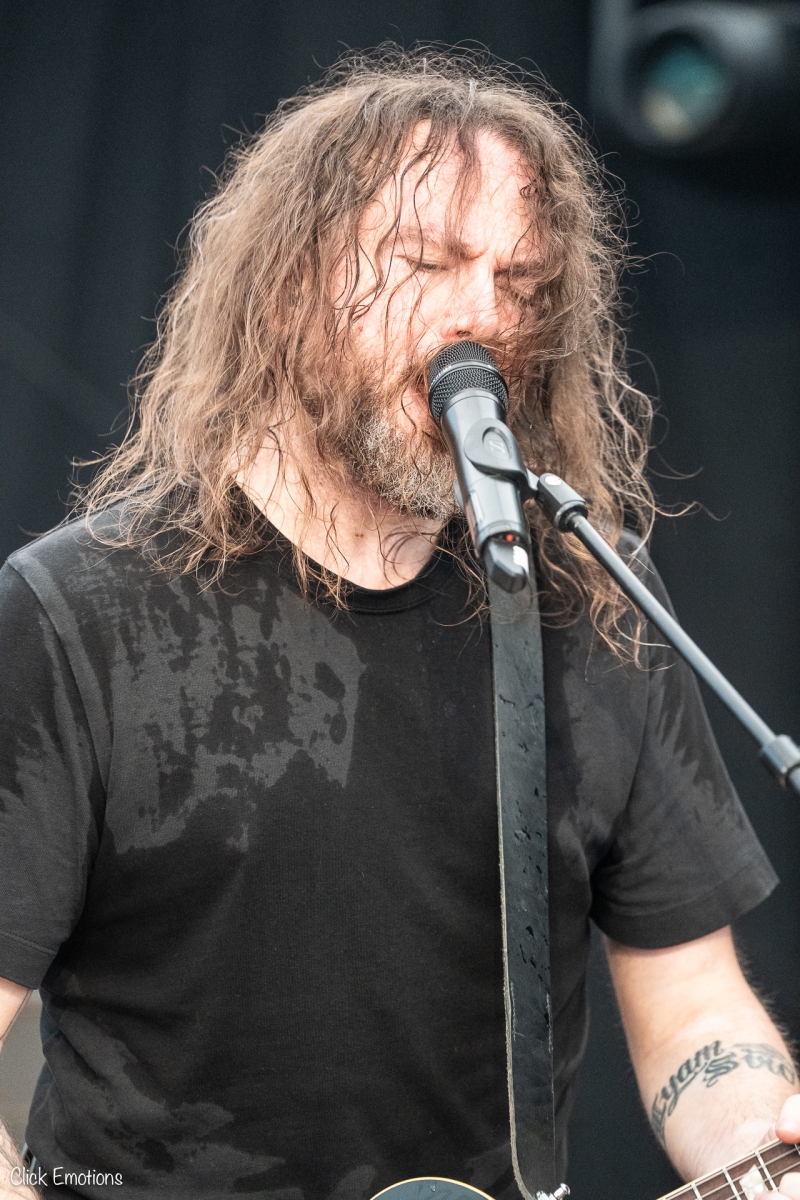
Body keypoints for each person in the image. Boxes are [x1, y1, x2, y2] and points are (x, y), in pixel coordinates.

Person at [0, 49, 797, 1200]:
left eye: (519, 284)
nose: (482, 321)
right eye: (425, 264)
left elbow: (691, 1008)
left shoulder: (585, 596)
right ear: (284, 293)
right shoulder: (79, 610)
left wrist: (758, 1141)